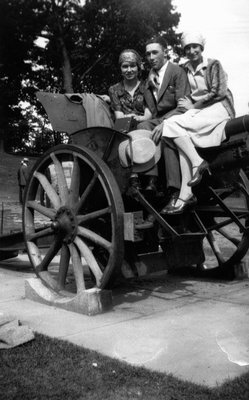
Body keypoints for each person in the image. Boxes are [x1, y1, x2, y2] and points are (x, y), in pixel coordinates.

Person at [153, 32, 235, 215]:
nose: (191, 51)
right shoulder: (185, 68)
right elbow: (167, 70)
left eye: (195, 47)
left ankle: (186, 191)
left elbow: (218, 92)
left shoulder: (213, 65)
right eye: (187, 48)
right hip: (200, 111)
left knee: (175, 127)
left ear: (201, 48)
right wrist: (152, 73)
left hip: (219, 108)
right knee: (171, 125)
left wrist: (193, 105)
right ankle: (194, 171)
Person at [137, 36, 190, 203]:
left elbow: (183, 107)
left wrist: (166, 123)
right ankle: (151, 178)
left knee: (167, 134)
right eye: (148, 54)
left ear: (165, 52)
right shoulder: (149, 80)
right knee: (143, 125)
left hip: (178, 118)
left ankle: (174, 188)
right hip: (157, 120)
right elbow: (151, 112)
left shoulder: (177, 72)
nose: (151, 57)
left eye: (155, 52)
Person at [109, 49, 155, 190]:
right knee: (126, 129)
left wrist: (138, 117)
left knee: (143, 128)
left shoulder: (146, 86)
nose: (129, 70)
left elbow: (149, 113)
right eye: (125, 66)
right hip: (125, 125)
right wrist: (129, 118)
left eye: (132, 66)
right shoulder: (114, 90)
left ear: (138, 67)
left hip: (143, 122)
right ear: (121, 69)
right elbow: (119, 115)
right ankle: (133, 175)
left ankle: (150, 178)